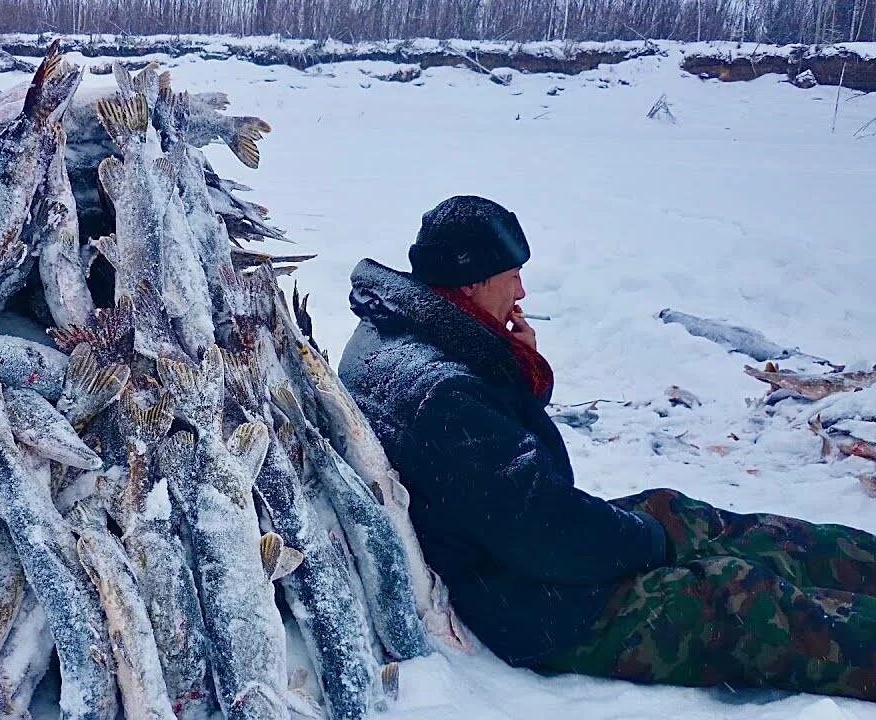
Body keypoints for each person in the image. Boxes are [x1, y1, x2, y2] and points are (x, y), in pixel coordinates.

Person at [337, 195, 876, 701]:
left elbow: (502, 472)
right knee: (742, 600)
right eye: (513, 276)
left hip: (515, 554)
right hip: (532, 606)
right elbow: (541, 531)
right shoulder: (443, 393)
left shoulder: (399, 334)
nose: (522, 293)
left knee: (684, 516)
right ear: (473, 282)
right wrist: (650, 545)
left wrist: (512, 367)